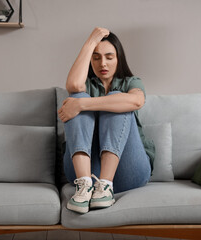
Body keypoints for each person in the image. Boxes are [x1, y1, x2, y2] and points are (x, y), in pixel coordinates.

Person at [58, 27, 155, 214]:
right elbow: (74, 86)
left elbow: (136, 100)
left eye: (109, 57)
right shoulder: (85, 85)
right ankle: (84, 187)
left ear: (119, 59)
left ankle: (106, 187)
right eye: (96, 57)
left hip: (130, 171)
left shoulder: (131, 82)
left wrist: (83, 104)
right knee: (77, 96)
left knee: (117, 98)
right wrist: (89, 42)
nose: (103, 63)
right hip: (86, 172)